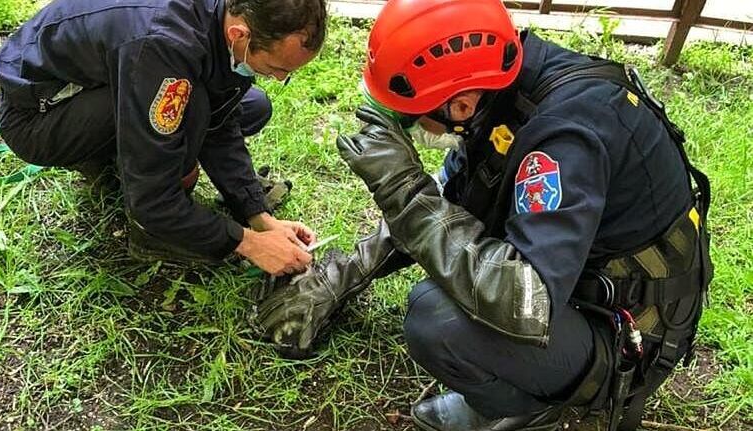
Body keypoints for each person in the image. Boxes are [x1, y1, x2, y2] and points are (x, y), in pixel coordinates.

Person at [257, 0, 713, 430]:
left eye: (413, 118)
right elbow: (453, 196)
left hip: (623, 330)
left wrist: (403, 190)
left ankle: (524, 409)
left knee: (434, 318)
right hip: (575, 281)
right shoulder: (500, 85)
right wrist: (339, 277)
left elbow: (525, 303)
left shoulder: (565, 140)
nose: (411, 128)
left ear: (458, 105)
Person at [0, 0, 328, 274]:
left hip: (96, 80)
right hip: (39, 117)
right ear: (239, 34)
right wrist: (248, 242)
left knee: (251, 106)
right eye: (278, 67)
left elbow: (222, 118)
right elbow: (152, 200)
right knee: (187, 102)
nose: (281, 76)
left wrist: (258, 215)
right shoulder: (164, 43)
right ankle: (150, 236)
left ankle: (107, 157)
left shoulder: (228, 16)